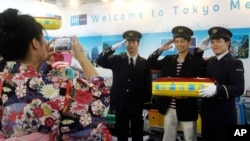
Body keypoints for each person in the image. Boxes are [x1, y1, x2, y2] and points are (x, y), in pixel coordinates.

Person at [0, 8, 111, 141]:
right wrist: (81, 56)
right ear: (35, 43)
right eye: (43, 38)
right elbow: (99, 96)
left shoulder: (3, 81)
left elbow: (27, 79)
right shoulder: (57, 87)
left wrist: (39, 61)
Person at [147, 26, 206, 141]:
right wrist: (161, 50)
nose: (179, 44)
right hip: (169, 107)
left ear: (189, 42)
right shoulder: (168, 59)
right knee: (168, 137)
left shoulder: (196, 61)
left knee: (190, 137)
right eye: (177, 41)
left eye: (183, 41)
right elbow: (149, 64)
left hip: (188, 107)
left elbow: (201, 81)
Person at [96, 30, 152, 141]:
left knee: (137, 133)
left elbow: (147, 85)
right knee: (121, 132)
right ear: (125, 44)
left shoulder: (145, 63)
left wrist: (146, 106)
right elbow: (100, 60)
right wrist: (112, 48)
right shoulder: (117, 59)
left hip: (137, 103)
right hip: (120, 103)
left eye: (133, 42)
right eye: (128, 42)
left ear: (138, 43)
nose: (130, 45)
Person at [197, 26, 245, 141]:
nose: (215, 45)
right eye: (212, 42)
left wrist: (217, 90)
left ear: (227, 43)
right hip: (207, 114)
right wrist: (199, 50)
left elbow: (238, 88)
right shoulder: (210, 61)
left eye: (218, 41)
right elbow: (195, 65)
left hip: (224, 116)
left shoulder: (235, 63)